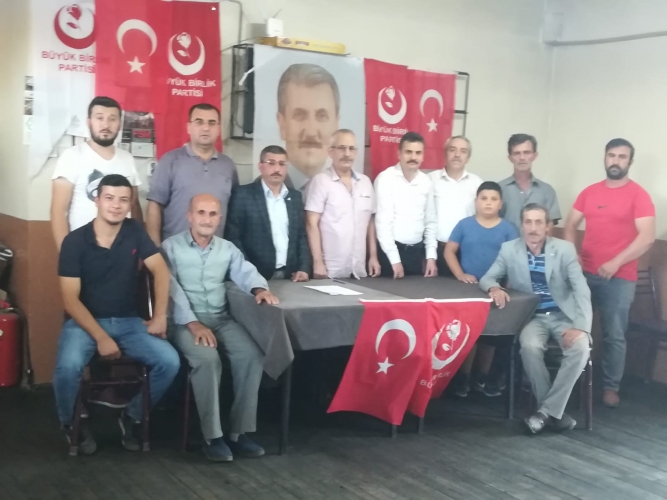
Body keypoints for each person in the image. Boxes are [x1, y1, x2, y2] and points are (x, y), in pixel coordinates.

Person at [53, 175, 180, 455]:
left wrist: (160, 316)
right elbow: (70, 300)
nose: (116, 205)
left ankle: (132, 415)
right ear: (97, 200)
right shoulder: (74, 241)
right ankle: (71, 422)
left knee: (169, 361)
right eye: (109, 198)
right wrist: (100, 337)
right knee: (67, 367)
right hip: (84, 323)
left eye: (123, 200)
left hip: (128, 321)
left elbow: (160, 271)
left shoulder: (135, 231)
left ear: (130, 204)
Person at [163, 194, 278, 462]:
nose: (207, 219)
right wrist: (192, 323)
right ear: (189, 216)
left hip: (221, 319)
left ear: (219, 219)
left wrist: (259, 289)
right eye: (201, 213)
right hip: (185, 322)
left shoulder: (227, 248)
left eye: (213, 214)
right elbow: (170, 290)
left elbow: (245, 271)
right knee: (208, 360)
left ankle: (239, 432)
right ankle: (212, 436)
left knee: (252, 356)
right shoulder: (170, 247)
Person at [480, 203, 591, 434]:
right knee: (529, 347)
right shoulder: (509, 249)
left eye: (538, 222)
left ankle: (544, 413)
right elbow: (488, 277)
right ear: (522, 225)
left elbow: (581, 289)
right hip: (533, 317)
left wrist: (581, 327)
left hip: (564, 316)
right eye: (528, 222)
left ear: (547, 226)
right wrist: (494, 288)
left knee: (581, 348)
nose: (533, 228)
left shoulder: (565, 249)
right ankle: (554, 414)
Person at [564, 138, 655, 408]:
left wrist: (616, 262)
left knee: (614, 335)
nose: (616, 161)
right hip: (585, 275)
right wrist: (572, 255)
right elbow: (570, 225)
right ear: (605, 158)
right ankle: (567, 382)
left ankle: (610, 388)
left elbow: (647, 237)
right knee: (574, 328)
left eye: (622, 157)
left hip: (619, 278)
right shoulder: (589, 192)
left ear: (630, 162)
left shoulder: (639, 195)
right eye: (612, 155)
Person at [445, 181, 518, 397]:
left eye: (493, 199)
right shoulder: (464, 225)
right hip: (468, 290)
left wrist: (508, 285)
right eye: (484, 198)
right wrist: (460, 274)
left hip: (496, 290)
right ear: (476, 201)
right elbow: (449, 251)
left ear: (500, 204)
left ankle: (482, 377)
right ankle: (463, 378)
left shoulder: (508, 229)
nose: (488, 203)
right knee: (469, 335)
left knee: (490, 336)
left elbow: (514, 259)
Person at [51, 96, 142, 251]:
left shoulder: (127, 159)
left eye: (112, 119)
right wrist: (66, 254)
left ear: (119, 124)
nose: (105, 124)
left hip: (123, 250)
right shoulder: (72, 156)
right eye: (99, 118)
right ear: (89, 122)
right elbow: (58, 211)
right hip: (83, 249)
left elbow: (134, 207)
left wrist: (139, 248)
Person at [146, 103, 239, 245]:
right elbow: (154, 206)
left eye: (211, 123)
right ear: (188, 127)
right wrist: (155, 249)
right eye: (199, 122)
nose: (206, 128)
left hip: (216, 253)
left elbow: (234, 213)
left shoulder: (228, 165)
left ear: (219, 129)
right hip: (173, 251)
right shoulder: (170, 160)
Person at [225, 145, 312, 281]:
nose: (277, 169)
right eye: (271, 163)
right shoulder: (243, 195)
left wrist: (304, 268)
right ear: (260, 166)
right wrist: (247, 270)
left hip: (290, 276)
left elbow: (301, 236)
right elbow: (233, 237)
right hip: (253, 275)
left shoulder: (294, 197)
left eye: (282, 164)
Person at [305, 129, 381, 279]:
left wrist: (373, 256)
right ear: (330, 152)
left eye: (351, 149)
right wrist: (318, 262)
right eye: (342, 148)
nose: (347, 154)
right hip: (330, 268)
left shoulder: (365, 182)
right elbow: (311, 223)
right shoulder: (321, 181)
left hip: (358, 269)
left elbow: (370, 222)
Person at [374, 132, 437, 279]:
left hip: (416, 254)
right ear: (399, 154)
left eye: (418, 153)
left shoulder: (426, 182)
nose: (413, 157)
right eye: (408, 152)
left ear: (423, 156)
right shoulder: (385, 179)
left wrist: (431, 257)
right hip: (389, 255)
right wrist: (394, 260)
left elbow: (430, 222)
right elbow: (383, 223)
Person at [276, 63, 340, 190]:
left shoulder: (348, 188)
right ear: (282, 124)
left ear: (336, 125)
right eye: (299, 115)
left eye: (322, 116)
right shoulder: (260, 190)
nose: (311, 132)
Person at [428, 136, 483, 276]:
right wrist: (429, 256)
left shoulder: (477, 184)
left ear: (468, 158)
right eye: (452, 150)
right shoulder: (430, 180)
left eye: (463, 151)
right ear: (445, 153)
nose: (457, 155)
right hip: (437, 251)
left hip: (467, 252)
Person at [499, 134, 561, 232]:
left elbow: (549, 227)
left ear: (534, 156)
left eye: (527, 152)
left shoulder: (547, 191)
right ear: (510, 158)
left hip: (538, 242)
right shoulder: (499, 189)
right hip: (506, 242)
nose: (522, 157)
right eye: (517, 153)